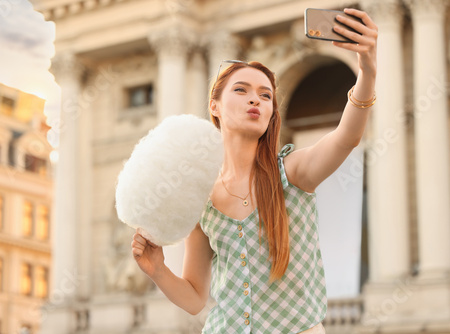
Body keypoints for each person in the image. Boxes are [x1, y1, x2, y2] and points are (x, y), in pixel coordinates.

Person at [131, 8, 378, 334]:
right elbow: (194, 298)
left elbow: (348, 137)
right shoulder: (201, 198)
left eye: (266, 96)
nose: (256, 100)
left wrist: (368, 73)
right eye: (241, 90)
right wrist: (157, 269)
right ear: (214, 107)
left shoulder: (293, 173)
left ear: (272, 113)